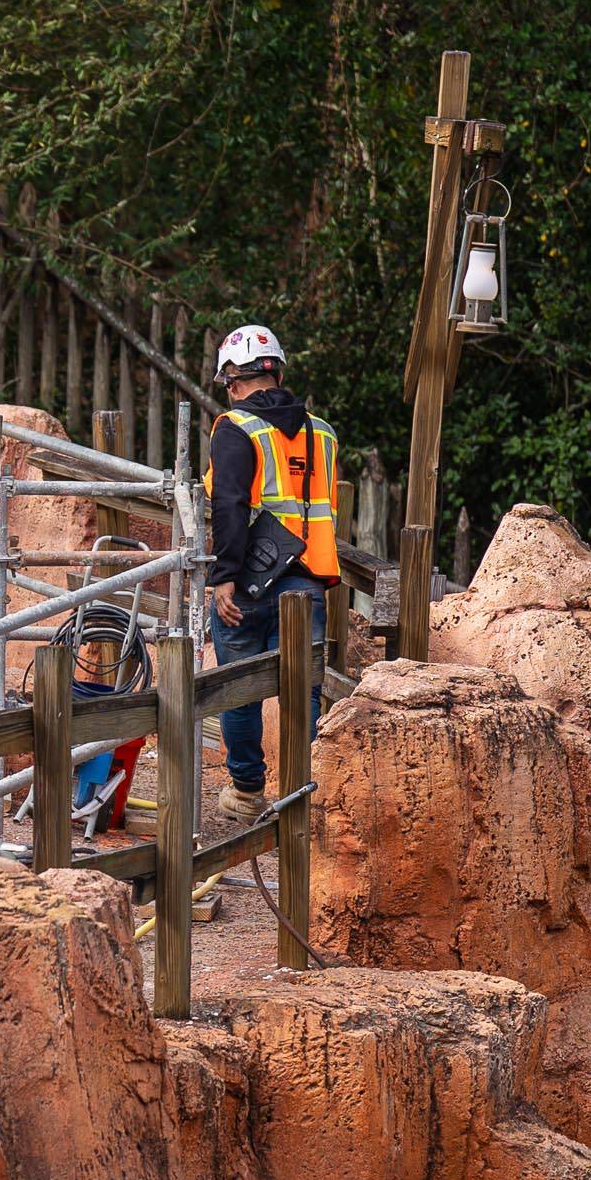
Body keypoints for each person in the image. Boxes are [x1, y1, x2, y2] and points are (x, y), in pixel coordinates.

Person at [203, 324, 341, 820]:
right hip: (307, 578)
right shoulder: (322, 432)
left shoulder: (235, 427)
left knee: (239, 691)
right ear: (277, 372)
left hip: (249, 582)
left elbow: (230, 506)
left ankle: (246, 794)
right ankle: (302, 795)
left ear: (235, 381)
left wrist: (224, 576)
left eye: (228, 385)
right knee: (302, 690)